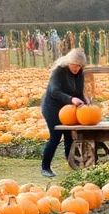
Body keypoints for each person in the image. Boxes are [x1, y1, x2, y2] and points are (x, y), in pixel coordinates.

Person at [40, 48, 87, 178]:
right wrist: (71, 99)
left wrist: (86, 104)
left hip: (67, 108)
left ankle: (73, 165)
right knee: (55, 137)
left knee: (70, 137)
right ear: (69, 62)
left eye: (79, 66)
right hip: (52, 107)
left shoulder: (79, 73)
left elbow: (79, 92)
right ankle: (45, 167)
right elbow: (55, 91)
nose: (77, 68)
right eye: (75, 65)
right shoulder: (59, 71)